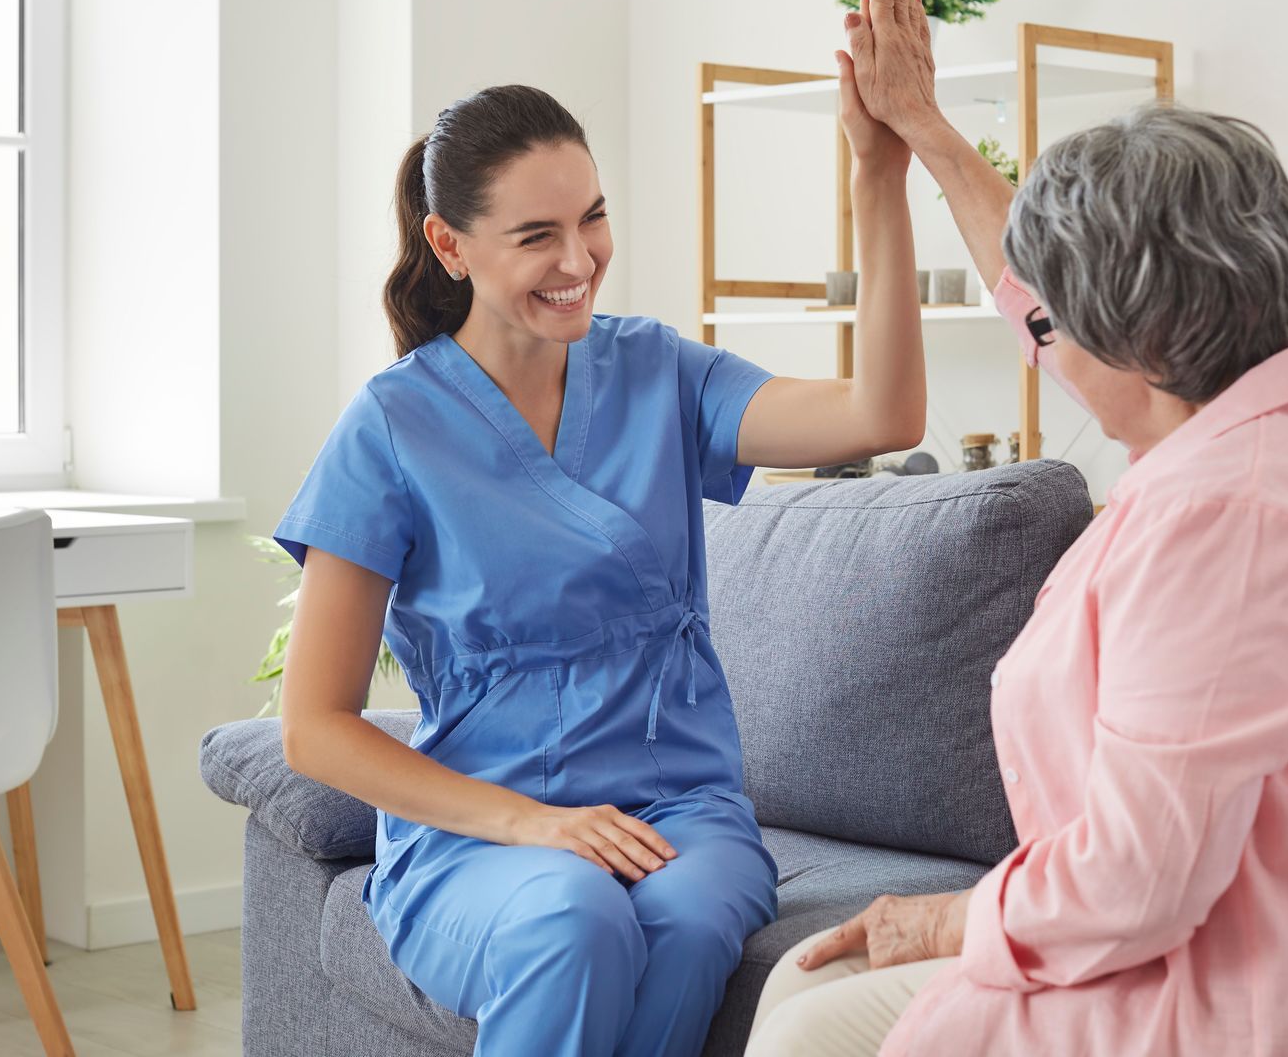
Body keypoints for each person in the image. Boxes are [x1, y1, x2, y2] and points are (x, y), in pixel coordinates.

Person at [745, 0, 1288, 1057]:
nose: (1035, 340)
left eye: (1052, 331)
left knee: (813, 1020)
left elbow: (1137, 881)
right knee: (806, 995)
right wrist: (927, 131)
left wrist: (945, 916)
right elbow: (1071, 293)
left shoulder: (1228, 521)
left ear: (1137, 347)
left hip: (1258, 987)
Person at [274, 71, 925, 1057]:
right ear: (450, 244)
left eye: (594, 219)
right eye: (537, 235)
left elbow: (883, 415)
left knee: (690, 916)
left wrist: (878, 175)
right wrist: (534, 824)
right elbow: (315, 729)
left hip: (681, 808)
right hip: (481, 832)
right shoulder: (391, 427)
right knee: (572, 915)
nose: (579, 258)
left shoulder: (662, 373)